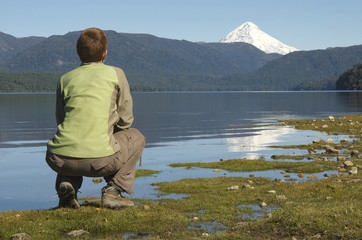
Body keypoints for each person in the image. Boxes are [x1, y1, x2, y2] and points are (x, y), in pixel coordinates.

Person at [45, 28, 145, 209]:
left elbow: (61, 121)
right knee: (136, 137)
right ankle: (113, 192)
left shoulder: (64, 79)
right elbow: (126, 120)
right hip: (102, 161)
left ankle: (67, 183)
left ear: (78, 53)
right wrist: (109, 133)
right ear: (105, 54)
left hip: (58, 158)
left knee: (72, 138)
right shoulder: (116, 74)